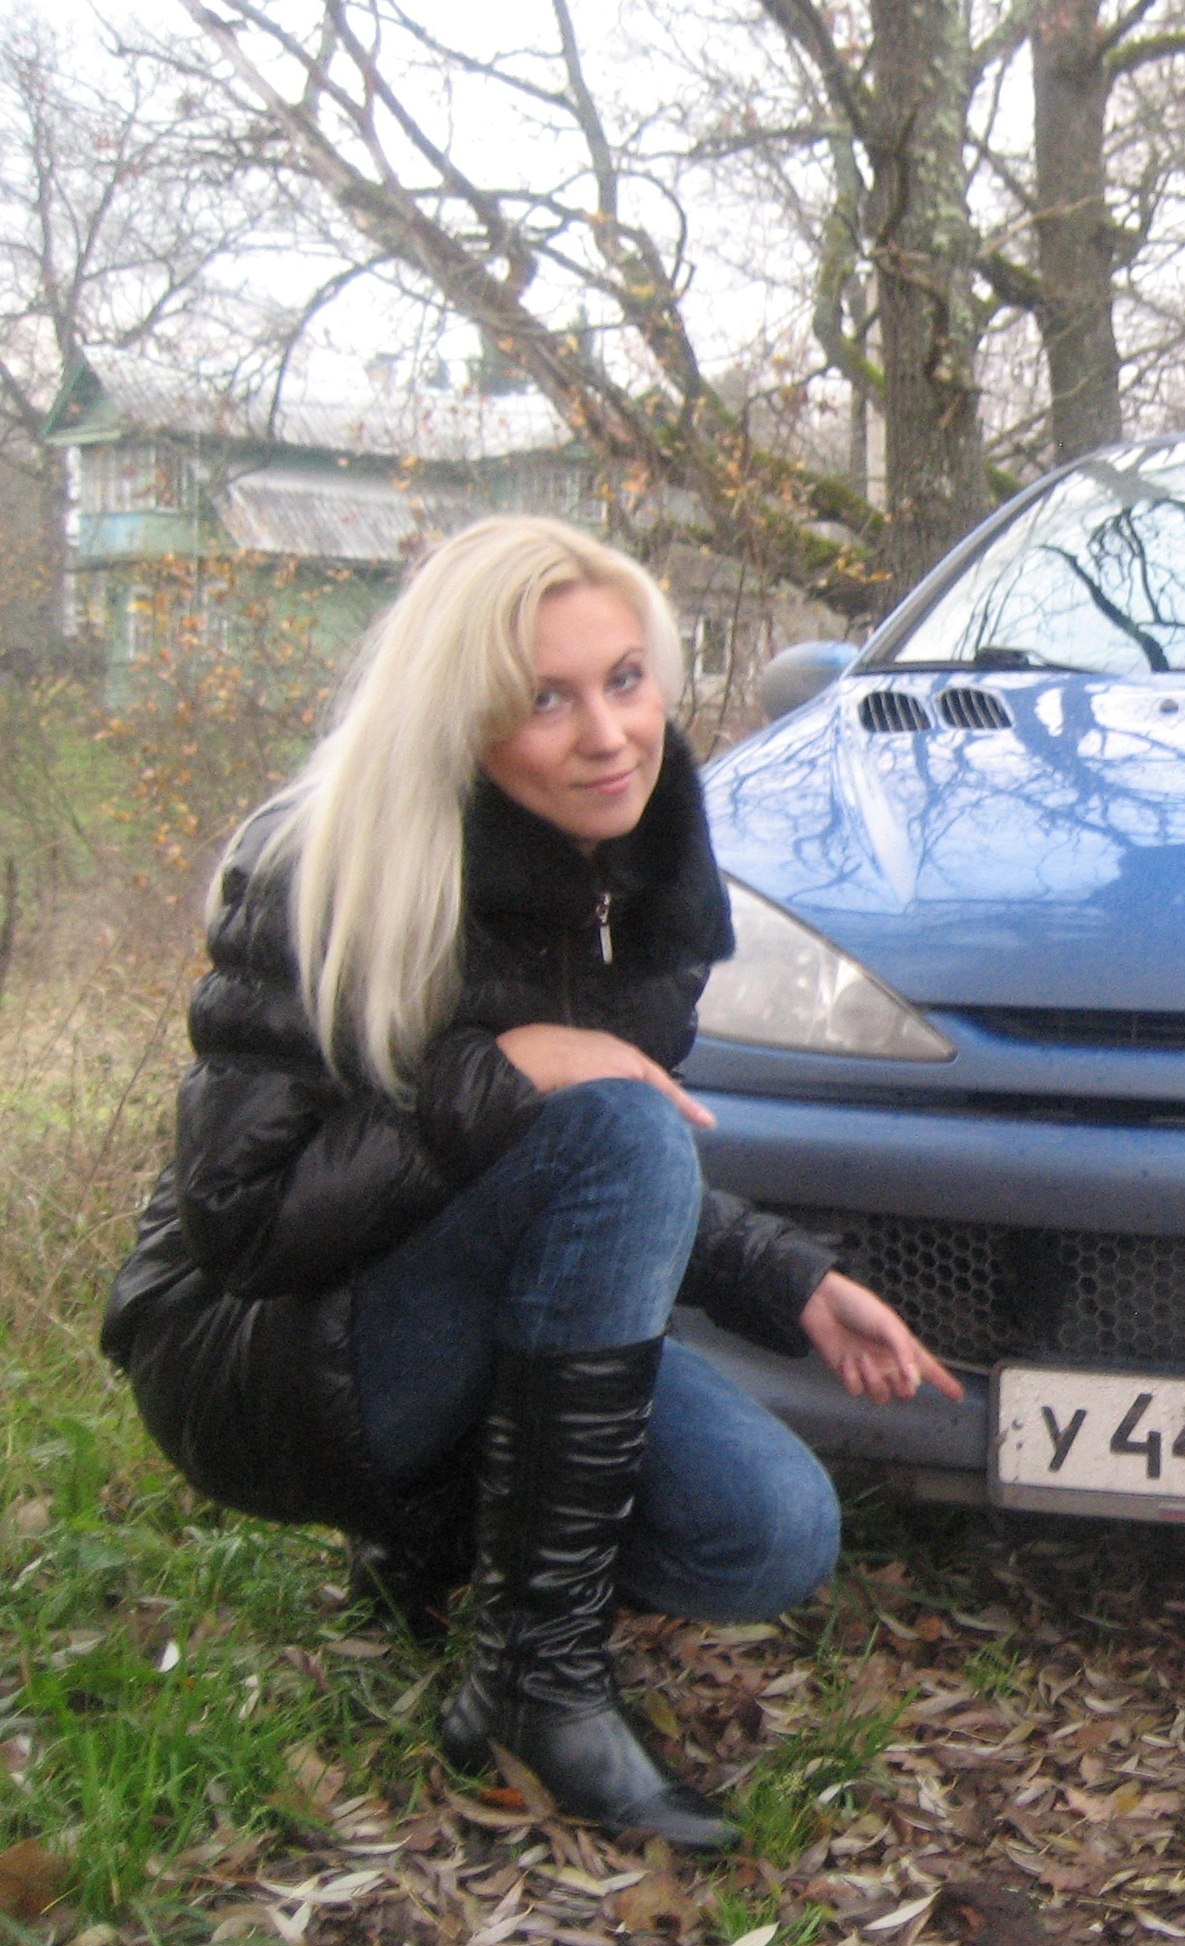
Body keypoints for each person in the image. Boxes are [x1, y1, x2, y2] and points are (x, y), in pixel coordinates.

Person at [101, 517, 962, 1853]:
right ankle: (532, 1683)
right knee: (615, 1117)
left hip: (434, 1304)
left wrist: (787, 1279)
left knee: (771, 1533)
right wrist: (502, 1073)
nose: (608, 736)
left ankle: (436, 1545)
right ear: (461, 720)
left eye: (626, 679)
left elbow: (594, 1182)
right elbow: (241, 1225)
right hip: (252, 1351)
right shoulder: (324, 863)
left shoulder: (642, 877)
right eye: (544, 700)